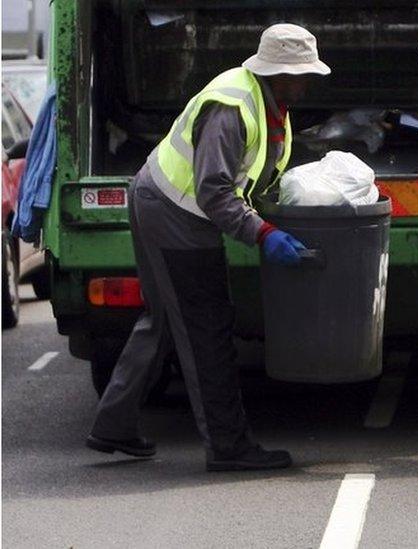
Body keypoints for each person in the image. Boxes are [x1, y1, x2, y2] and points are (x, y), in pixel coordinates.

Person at [85, 24, 331, 471]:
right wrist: (262, 234)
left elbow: (249, 173)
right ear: (279, 73)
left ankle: (112, 424)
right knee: (207, 328)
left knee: (162, 320)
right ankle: (228, 446)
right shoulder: (232, 108)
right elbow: (213, 192)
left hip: (160, 199)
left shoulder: (269, 100)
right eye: (301, 75)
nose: (308, 82)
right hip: (175, 213)